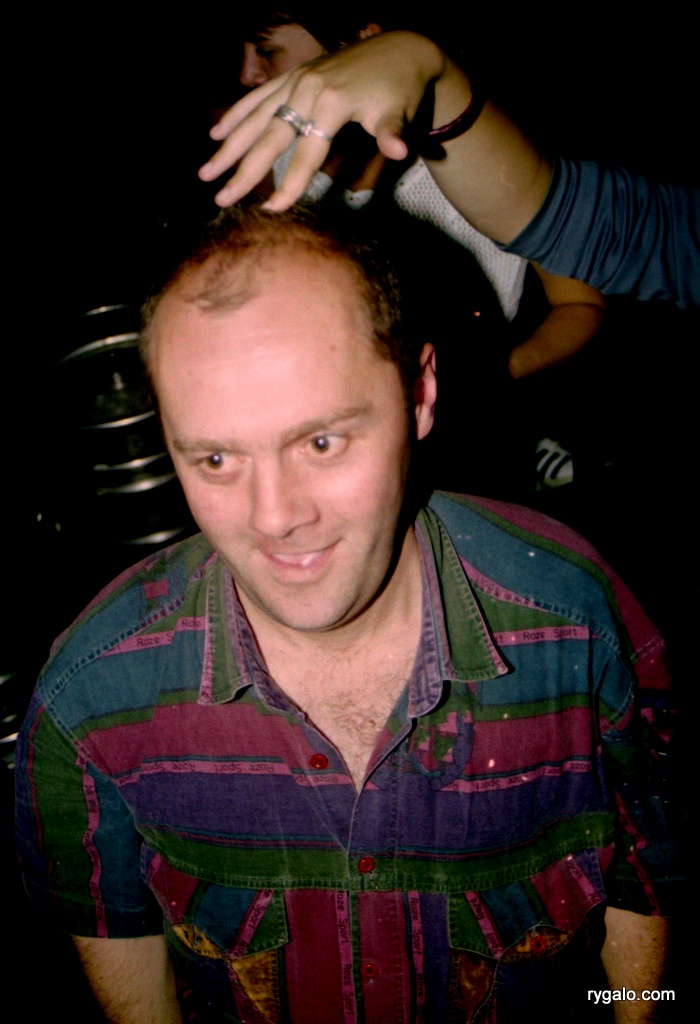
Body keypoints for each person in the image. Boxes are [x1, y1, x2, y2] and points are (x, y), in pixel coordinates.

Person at [15, 204, 678, 1023]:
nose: (274, 517)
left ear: (419, 393)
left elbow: (648, 886)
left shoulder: (579, 627)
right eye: (216, 458)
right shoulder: (91, 701)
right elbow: (124, 962)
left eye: (321, 443)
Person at [198, 30, 699, 308]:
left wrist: (485, 377)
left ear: (359, 39)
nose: (246, 73)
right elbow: (602, 225)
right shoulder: (277, 154)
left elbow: (576, 260)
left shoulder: (470, 160)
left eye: (266, 51)